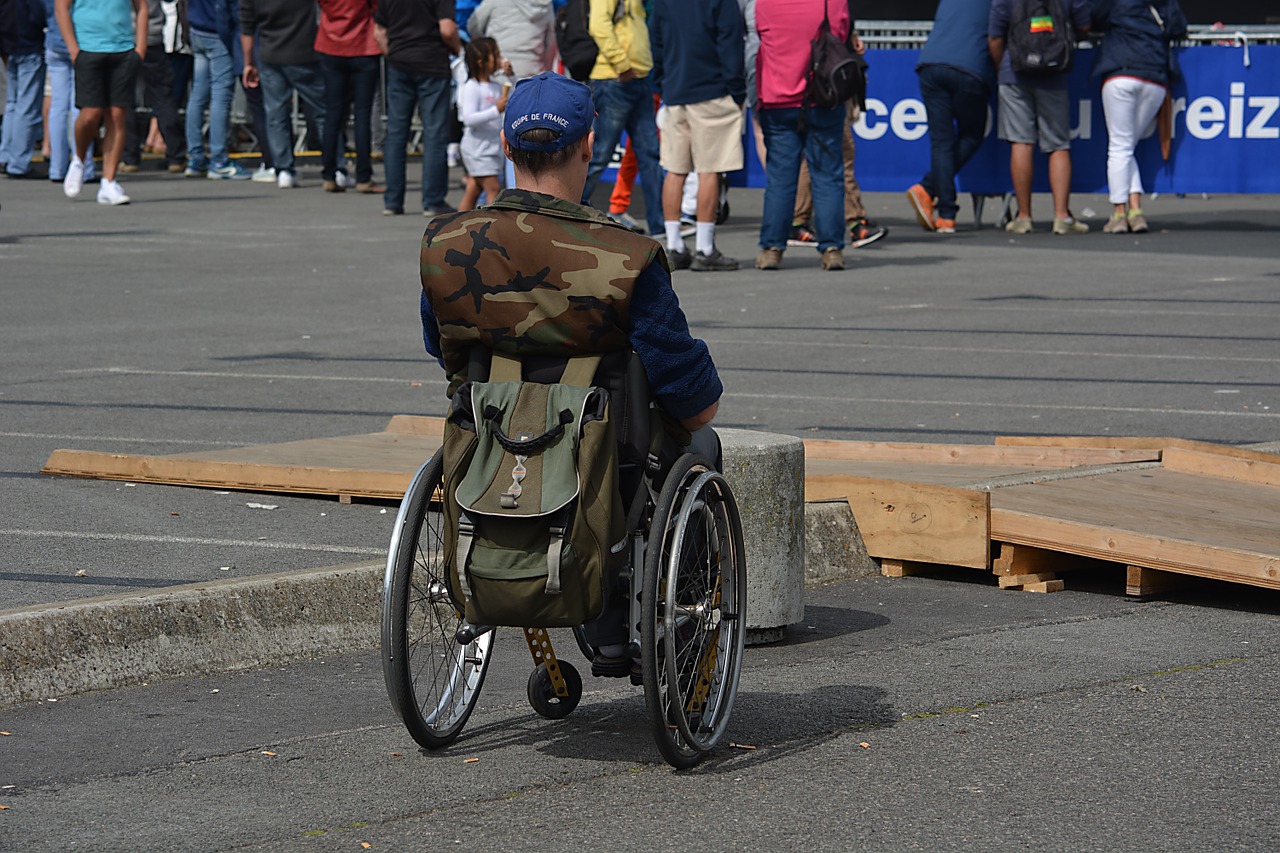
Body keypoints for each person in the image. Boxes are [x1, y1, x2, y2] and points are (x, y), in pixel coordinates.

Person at [418, 71, 721, 672]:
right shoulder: (625, 255)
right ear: (588, 146)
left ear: (505, 147)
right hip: (602, 455)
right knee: (702, 444)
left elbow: (440, 346)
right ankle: (644, 639)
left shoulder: (444, 243)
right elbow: (693, 402)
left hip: (483, 443)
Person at [753, 0, 849, 271]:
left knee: (780, 179)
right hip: (823, 96)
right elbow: (840, 35)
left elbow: (760, 34)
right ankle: (831, 249)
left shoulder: (765, 3)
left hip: (778, 98)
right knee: (828, 176)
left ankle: (772, 248)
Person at [649, 0, 744, 272]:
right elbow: (730, 44)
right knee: (709, 170)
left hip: (675, 91)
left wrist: (664, 83)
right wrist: (736, 91)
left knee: (674, 170)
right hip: (712, 91)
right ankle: (704, 248)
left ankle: (675, 245)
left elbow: (656, 41)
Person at [988, 0, 1090, 235]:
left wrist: (1001, 70)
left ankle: (1023, 217)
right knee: (1059, 145)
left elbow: (994, 37)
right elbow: (1084, 24)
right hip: (1053, 73)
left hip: (1014, 72)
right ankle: (1062, 217)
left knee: (1021, 142)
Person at [1091, 0, 1186, 234]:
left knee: (1120, 146)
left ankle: (1119, 213)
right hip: (1154, 77)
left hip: (1120, 73)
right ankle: (1135, 211)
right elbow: (1179, 27)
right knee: (1127, 146)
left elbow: (1092, 17)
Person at [906, 0, 996, 234]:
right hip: (971, 68)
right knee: (971, 135)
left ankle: (945, 212)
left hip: (931, 63)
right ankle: (931, 194)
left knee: (941, 142)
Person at [577, 0, 664, 238]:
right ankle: (568, 218)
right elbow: (599, 26)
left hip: (636, 78)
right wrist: (622, 64)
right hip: (617, 79)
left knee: (649, 156)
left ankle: (660, 227)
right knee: (598, 155)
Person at [55, 0, 148, 205]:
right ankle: (79, 159)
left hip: (123, 50)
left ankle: (109, 181)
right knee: (90, 114)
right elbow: (61, 7)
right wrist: (73, 49)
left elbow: (142, 7)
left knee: (117, 115)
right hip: (88, 49)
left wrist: (140, 48)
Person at [374, 0, 461, 216]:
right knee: (434, 133)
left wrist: (392, 54)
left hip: (400, 62)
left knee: (396, 133)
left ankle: (393, 200)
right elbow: (447, 29)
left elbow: (379, 32)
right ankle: (433, 200)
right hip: (432, 62)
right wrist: (458, 50)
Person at [240, 0, 327, 189]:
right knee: (323, 112)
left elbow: (247, 26)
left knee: (276, 114)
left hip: (271, 53)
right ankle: (335, 166)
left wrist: (248, 63)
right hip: (306, 52)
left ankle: (284, 168)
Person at [316, 0, 381, 193]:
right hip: (363, 43)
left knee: (333, 112)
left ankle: (329, 174)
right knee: (362, 113)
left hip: (331, 43)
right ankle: (363, 176)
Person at [186, 0, 251, 179]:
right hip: (216, 31)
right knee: (220, 97)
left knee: (198, 94)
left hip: (197, 27)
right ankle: (218, 159)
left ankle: (195, 156)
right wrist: (230, 38)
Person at [121, 0, 186, 174]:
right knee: (163, 96)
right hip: (152, 35)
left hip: (123, 36)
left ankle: (130, 157)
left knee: (125, 99)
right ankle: (176, 156)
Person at [40, 0, 97, 183]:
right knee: (79, 106)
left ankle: (57, 167)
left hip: (54, 41)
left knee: (58, 106)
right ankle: (84, 166)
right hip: (80, 42)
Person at [456, 36, 509, 210]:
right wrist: (495, 110)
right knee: (493, 188)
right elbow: (469, 119)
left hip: (491, 147)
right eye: (496, 55)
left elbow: (513, 95)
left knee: (474, 188)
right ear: (481, 62)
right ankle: (492, 230)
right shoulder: (472, 87)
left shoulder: (495, 85)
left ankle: (455, 227)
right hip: (478, 149)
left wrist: (511, 75)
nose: (500, 59)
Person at [2, 0, 48, 178]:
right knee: (27, 107)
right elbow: (38, 16)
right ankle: (19, 162)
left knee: (12, 104)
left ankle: (5, 154)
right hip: (29, 45)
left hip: (9, 47)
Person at [466, 0, 556, 80]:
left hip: (499, 71)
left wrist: (488, 49)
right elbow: (550, 44)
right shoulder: (546, 4)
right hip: (533, 74)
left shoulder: (494, 2)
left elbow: (473, 27)